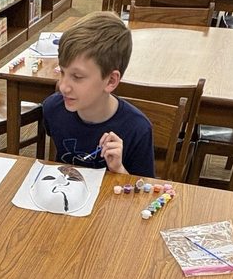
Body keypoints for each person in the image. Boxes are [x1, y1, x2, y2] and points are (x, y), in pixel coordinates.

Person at [43, 11, 155, 177]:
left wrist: (119, 170)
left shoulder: (138, 129)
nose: (63, 86)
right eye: (62, 72)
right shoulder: (52, 108)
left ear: (110, 81)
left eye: (77, 77)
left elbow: (143, 194)